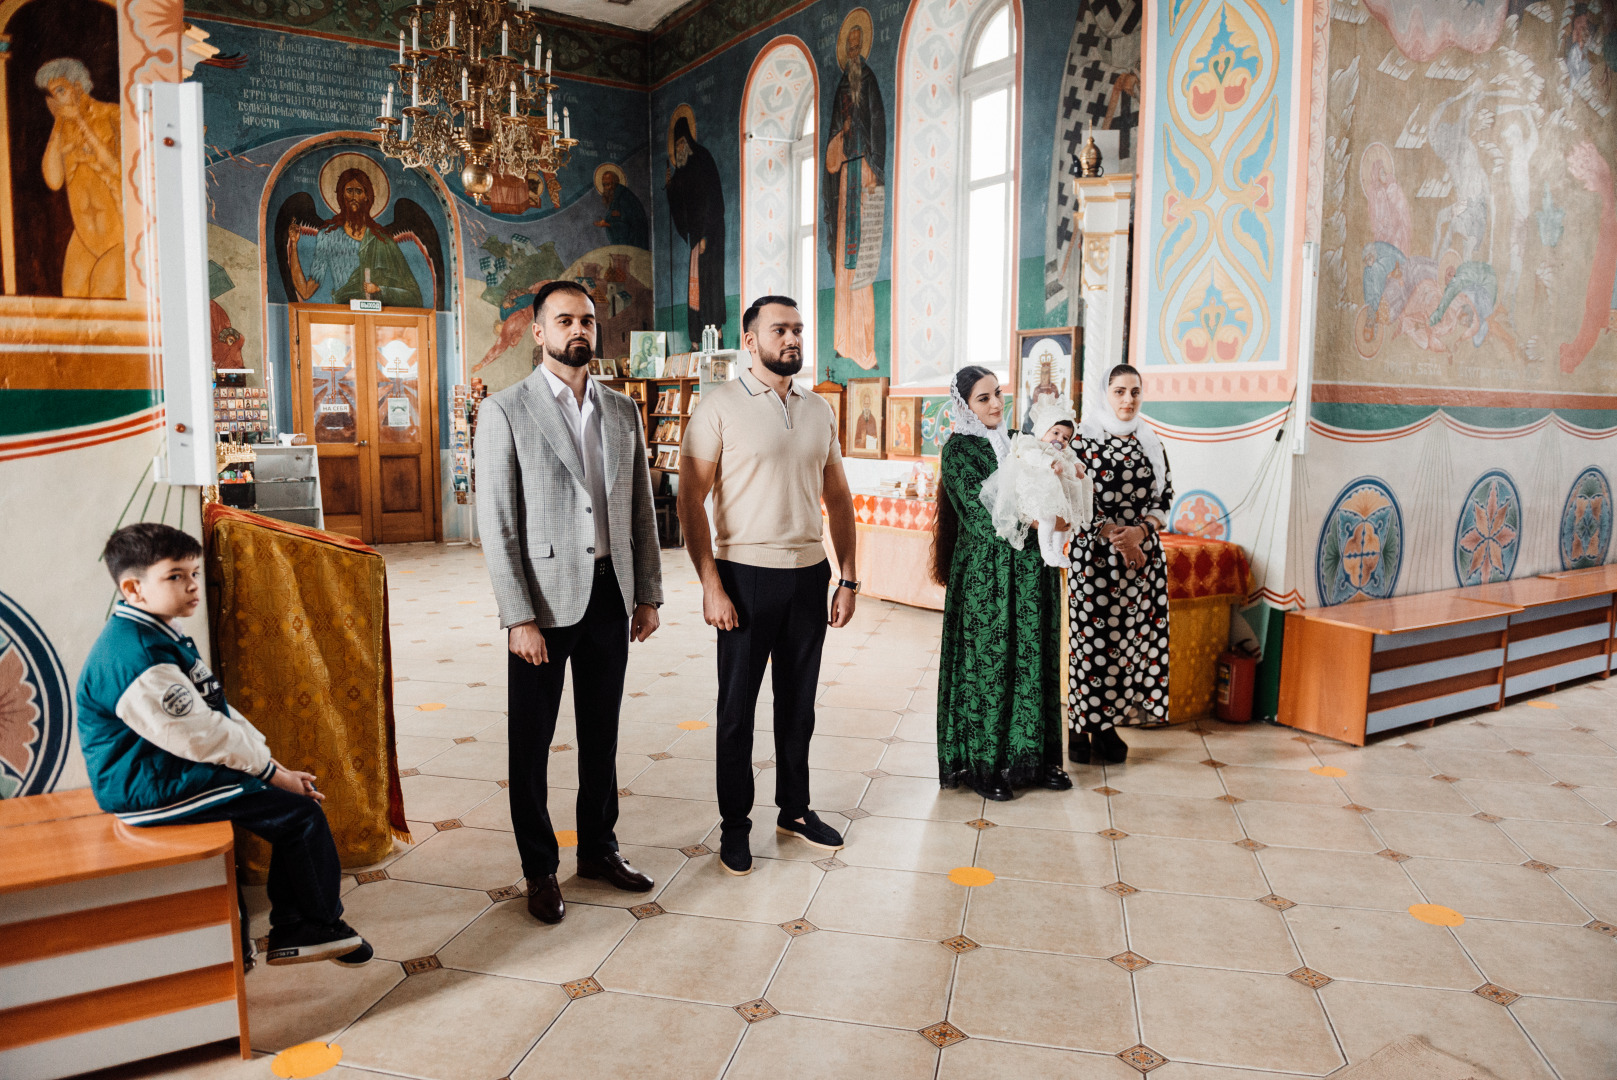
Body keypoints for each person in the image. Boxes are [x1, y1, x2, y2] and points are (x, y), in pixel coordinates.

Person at [76, 523, 372, 968]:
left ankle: (297, 925)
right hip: (148, 788)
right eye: (175, 576)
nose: (192, 586)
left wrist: (271, 766)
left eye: (194, 573)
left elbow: (217, 713)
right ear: (134, 588)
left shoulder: (157, 633)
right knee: (300, 815)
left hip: (166, 771)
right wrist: (274, 775)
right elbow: (202, 736)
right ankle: (308, 926)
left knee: (289, 804)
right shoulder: (135, 654)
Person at [476, 280, 664, 925]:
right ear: (538, 331)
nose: (578, 331)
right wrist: (517, 616)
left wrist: (648, 594)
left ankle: (599, 850)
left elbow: (640, 508)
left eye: (586, 320)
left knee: (601, 736)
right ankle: (539, 869)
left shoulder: (621, 411)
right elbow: (496, 523)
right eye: (564, 321)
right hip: (544, 606)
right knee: (530, 745)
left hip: (611, 595)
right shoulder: (505, 411)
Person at [678, 295, 860, 875]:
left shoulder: (817, 410)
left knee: (798, 706)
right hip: (744, 575)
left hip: (809, 576)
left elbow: (838, 499)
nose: (793, 339)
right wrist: (711, 584)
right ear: (750, 341)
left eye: (799, 330)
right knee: (737, 711)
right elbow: (690, 500)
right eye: (780, 329)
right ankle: (735, 826)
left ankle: (795, 810)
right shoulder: (718, 406)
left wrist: (848, 576)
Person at [931, 367, 1071, 801]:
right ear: (964, 406)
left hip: (1032, 572)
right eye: (983, 398)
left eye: (998, 394)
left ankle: (1039, 759)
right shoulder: (958, 450)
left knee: (1035, 658)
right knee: (990, 663)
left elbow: (1054, 475)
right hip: (987, 575)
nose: (995, 404)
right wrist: (1036, 516)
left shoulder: (1020, 440)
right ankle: (984, 765)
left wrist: (1060, 504)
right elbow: (981, 515)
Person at [1068, 363, 1174, 764]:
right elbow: (1072, 499)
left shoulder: (1150, 441)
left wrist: (1140, 534)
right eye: (1119, 391)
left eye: (1134, 391)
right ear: (1104, 394)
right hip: (1095, 558)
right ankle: (1081, 729)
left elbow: (1164, 497)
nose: (1128, 400)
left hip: (1141, 562)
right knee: (1091, 645)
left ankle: (1107, 725)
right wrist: (1116, 535)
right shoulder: (1083, 441)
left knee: (1127, 645)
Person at [37, 57, 123, 299]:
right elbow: (53, 180)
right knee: (72, 303)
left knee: (104, 294)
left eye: (61, 90)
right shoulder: (62, 129)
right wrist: (58, 124)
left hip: (119, 235)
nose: (57, 100)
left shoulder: (112, 114)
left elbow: (120, 169)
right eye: (53, 95)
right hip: (84, 237)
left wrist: (82, 122)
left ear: (78, 85)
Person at [980, 398, 1092, 567]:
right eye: (1055, 433)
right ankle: (1046, 550)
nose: (1060, 439)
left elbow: (1073, 457)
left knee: (1063, 520)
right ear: (1043, 429)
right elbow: (1029, 454)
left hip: (1058, 493)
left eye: (1066, 437)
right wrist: (1050, 463)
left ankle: (1058, 550)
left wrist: (1079, 466)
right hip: (1038, 489)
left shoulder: (1064, 452)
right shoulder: (1032, 443)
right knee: (1047, 519)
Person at [665, 116, 727, 347]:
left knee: (709, 283)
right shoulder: (684, 168)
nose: (679, 147)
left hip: (710, 236)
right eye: (676, 144)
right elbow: (682, 205)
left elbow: (712, 200)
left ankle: (716, 335)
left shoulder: (702, 159)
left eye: (682, 141)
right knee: (695, 286)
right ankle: (695, 341)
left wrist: (704, 235)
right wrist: (671, 187)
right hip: (696, 238)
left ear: (689, 139)